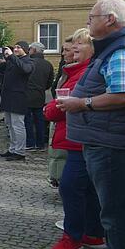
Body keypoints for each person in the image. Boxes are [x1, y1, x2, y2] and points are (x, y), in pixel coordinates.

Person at [58, 0, 125, 249]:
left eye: (91, 17)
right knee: (108, 207)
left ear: (109, 19)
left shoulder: (119, 50)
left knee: (114, 210)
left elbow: (122, 95)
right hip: (102, 138)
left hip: (110, 143)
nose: (88, 22)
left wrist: (82, 103)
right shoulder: (110, 48)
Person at [45, 27, 105, 249]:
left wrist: (49, 109)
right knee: (86, 187)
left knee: (70, 186)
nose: (73, 49)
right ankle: (93, 232)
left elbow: (69, 101)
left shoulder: (86, 72)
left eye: (80, 44)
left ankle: (73, 236)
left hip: (81, 136)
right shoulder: (78, 70)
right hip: (80, 135)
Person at [0, 41, 35, 161]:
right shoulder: (13, 60)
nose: (16, 49)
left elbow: (25, 69)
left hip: (19, 97)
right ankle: (12, 148)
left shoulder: (28, 61)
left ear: (25, 49)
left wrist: (12, 57)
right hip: (8, 96)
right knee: (9, 124)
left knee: (18, 125)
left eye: (19, 48)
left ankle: (20, 151)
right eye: (15, 47)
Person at [48, 36, 75, 189]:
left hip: (66, 117)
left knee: (63, 154)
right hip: (58, 112)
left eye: (67, 50)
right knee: (56, 151)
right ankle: (56, 177)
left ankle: (61, 179)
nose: (64, 53)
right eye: (62, 50)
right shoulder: (65, 67)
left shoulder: (77, 71)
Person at [25, 42, 55, 151]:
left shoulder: (28, 62)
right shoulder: (48, 64)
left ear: (33, 50)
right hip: (40, 95)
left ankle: (30, 143)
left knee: (27, 120)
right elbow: (50, 82)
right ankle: (40, 144)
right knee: (40, 121)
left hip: (27, 94)